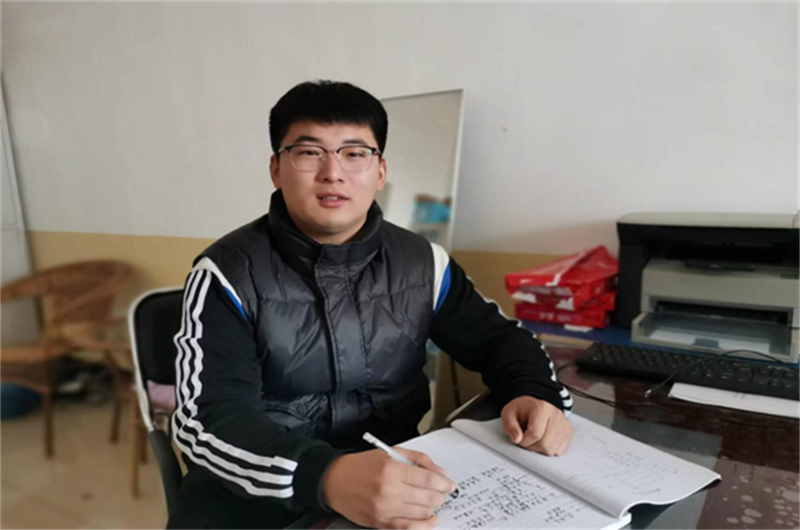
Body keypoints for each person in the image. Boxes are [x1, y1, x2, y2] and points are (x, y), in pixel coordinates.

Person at [169, 80, 574, 529]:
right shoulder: (226, 272)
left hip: (395, 487)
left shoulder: (422, 263)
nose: (333, 172)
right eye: (309, 152)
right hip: (255, 503)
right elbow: (207, 421)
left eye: (355, 153)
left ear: (380, 171)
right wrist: (326, 477)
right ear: (276, 169)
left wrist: (536, 394)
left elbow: (500, 340)